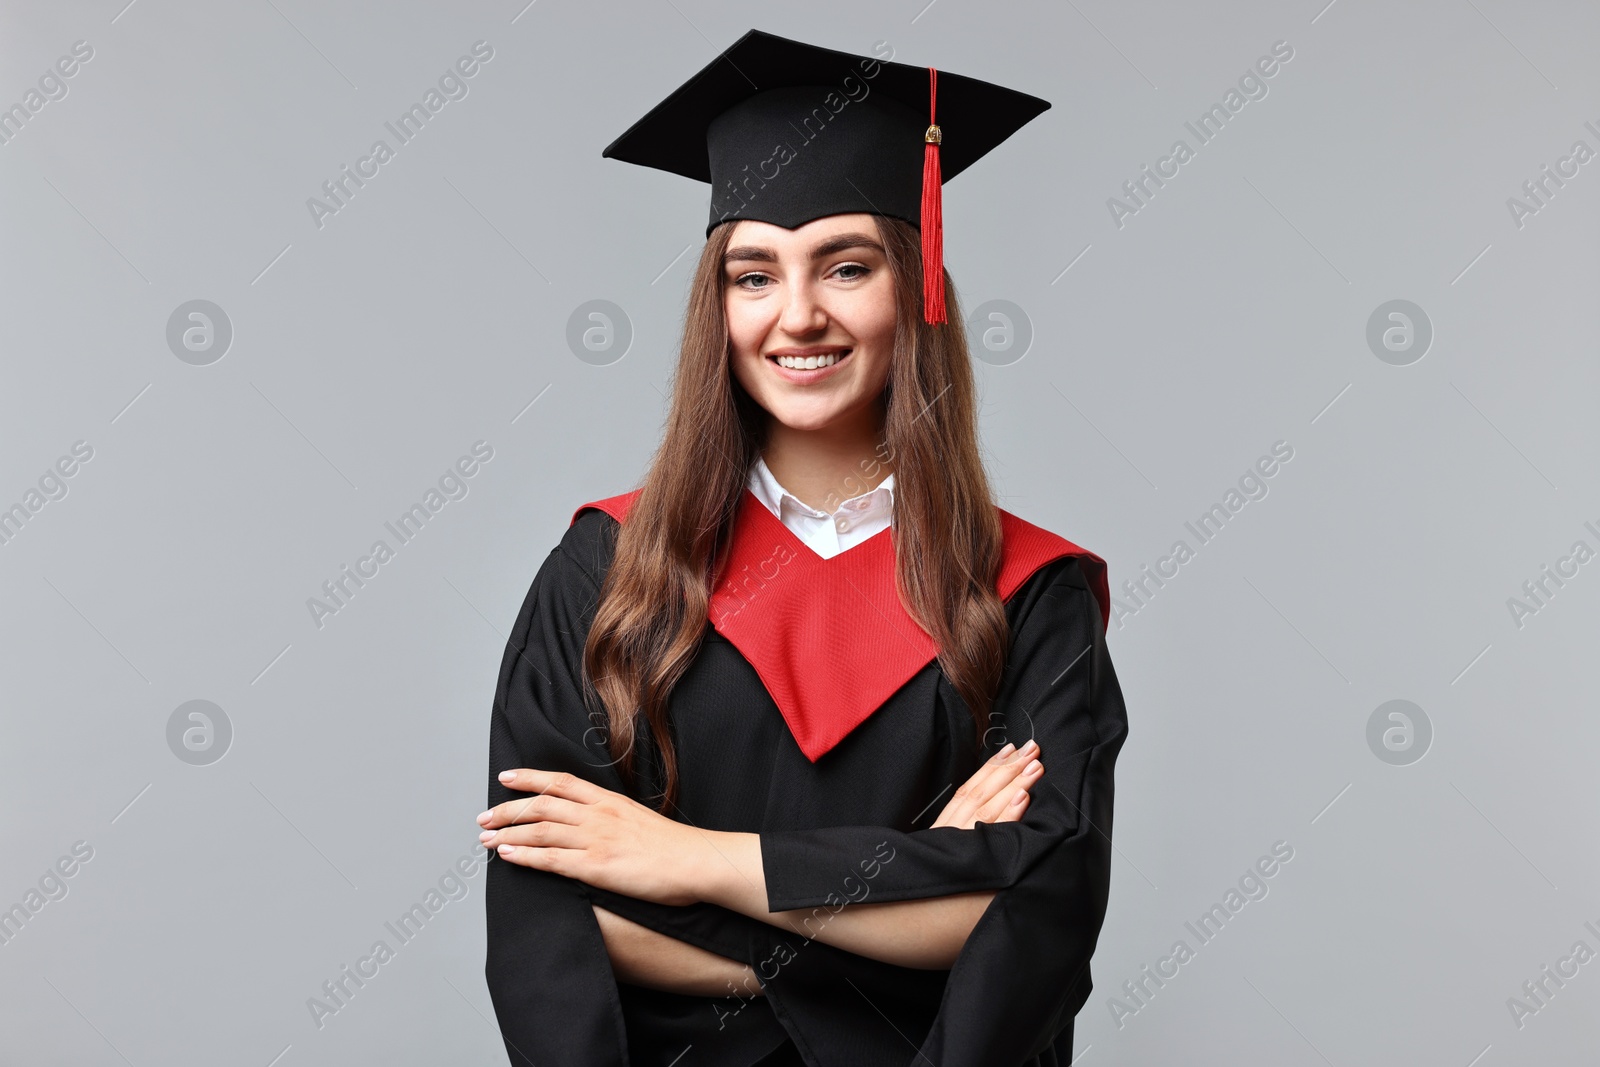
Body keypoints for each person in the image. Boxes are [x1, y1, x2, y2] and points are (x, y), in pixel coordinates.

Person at [478, 28, 1129, 1067]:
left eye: (847, 264)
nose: (798, 315)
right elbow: (548, 925)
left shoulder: (1030, 596)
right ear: (715, 304)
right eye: (753, 274)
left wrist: (686, 860)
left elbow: (1037, 928)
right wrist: (918, 890)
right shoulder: (604, 575)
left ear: (914, 288)